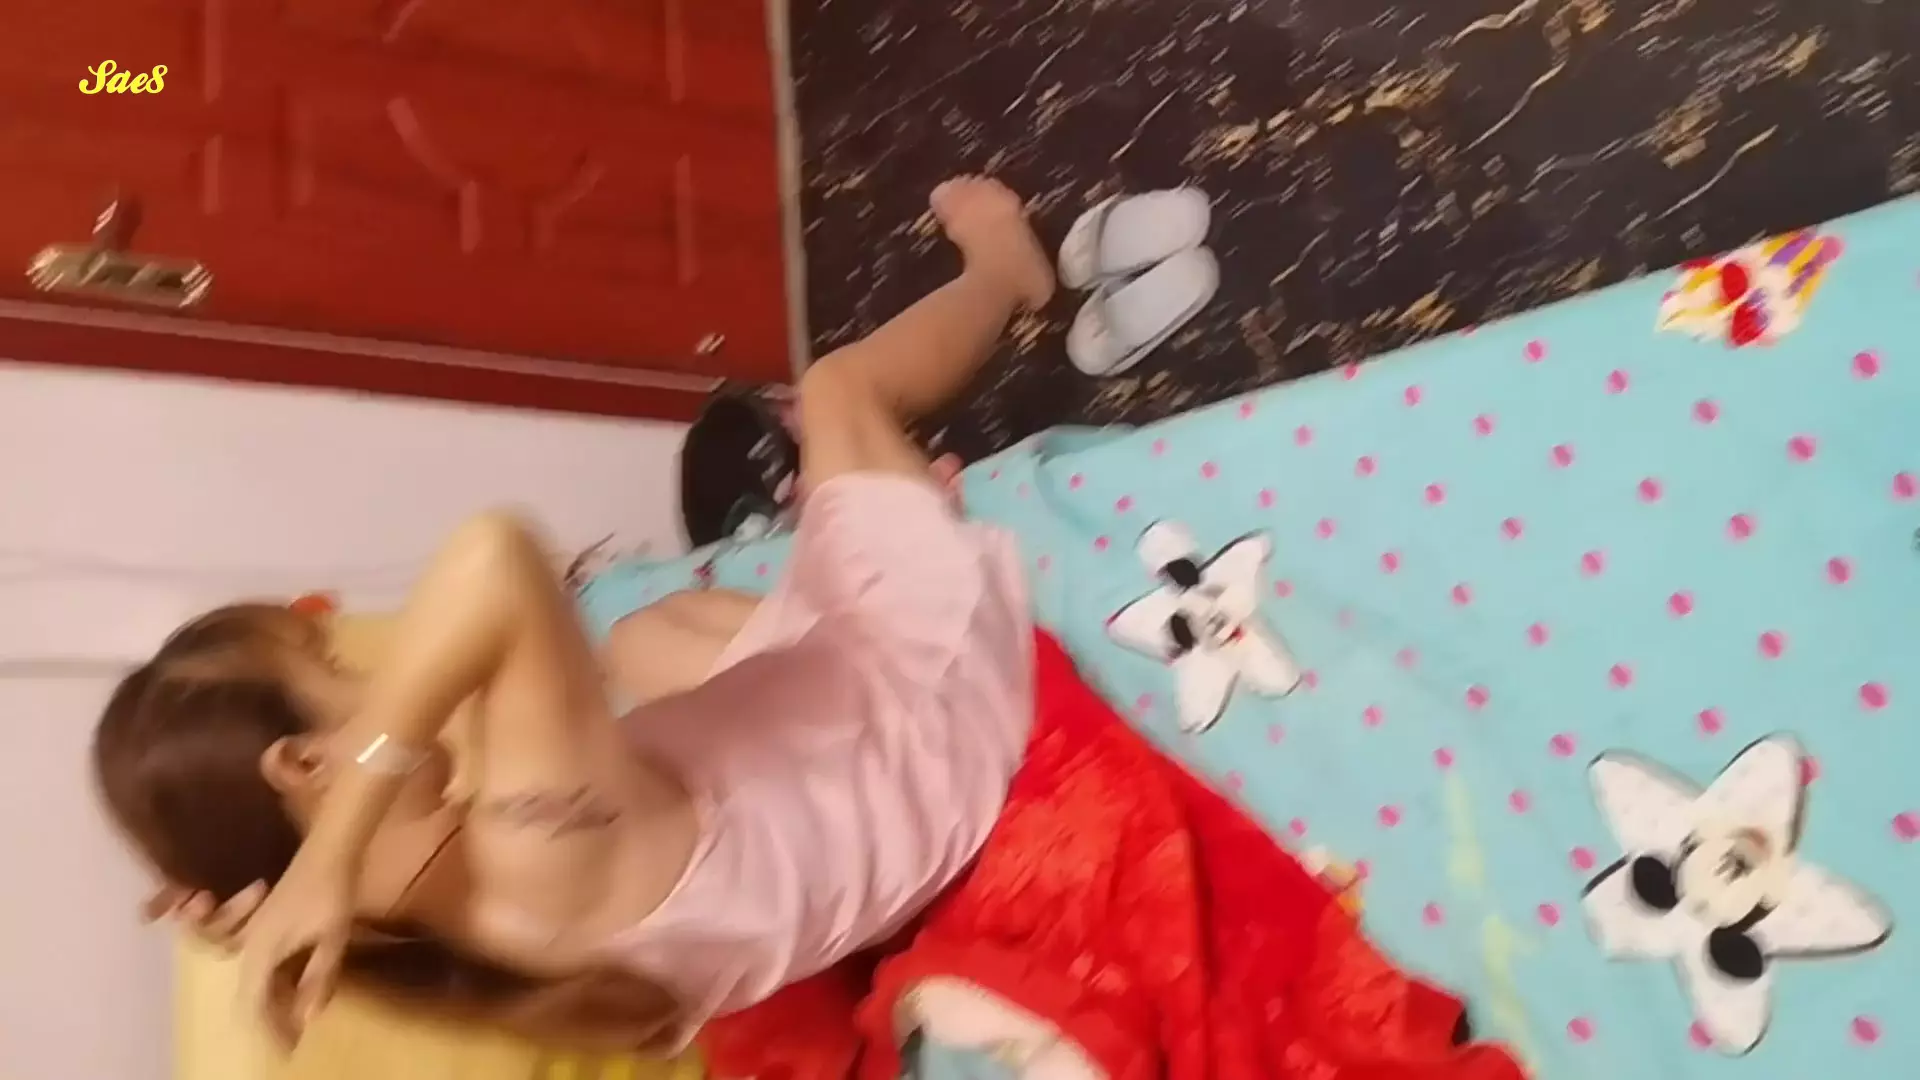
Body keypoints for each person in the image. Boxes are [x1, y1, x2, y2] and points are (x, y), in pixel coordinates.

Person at [100, 178, 1527, 1080]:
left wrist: (296, 889)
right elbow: (495, 560)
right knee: (840, 393)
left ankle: (855, 537)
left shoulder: (443, 943)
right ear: (306, 770)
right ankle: (1007, 276)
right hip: (944, 746)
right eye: (338, 676)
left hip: (814, 846)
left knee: (644, 646)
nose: (379, 676)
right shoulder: (532, 822)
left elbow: (457, 716)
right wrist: (337, 837)